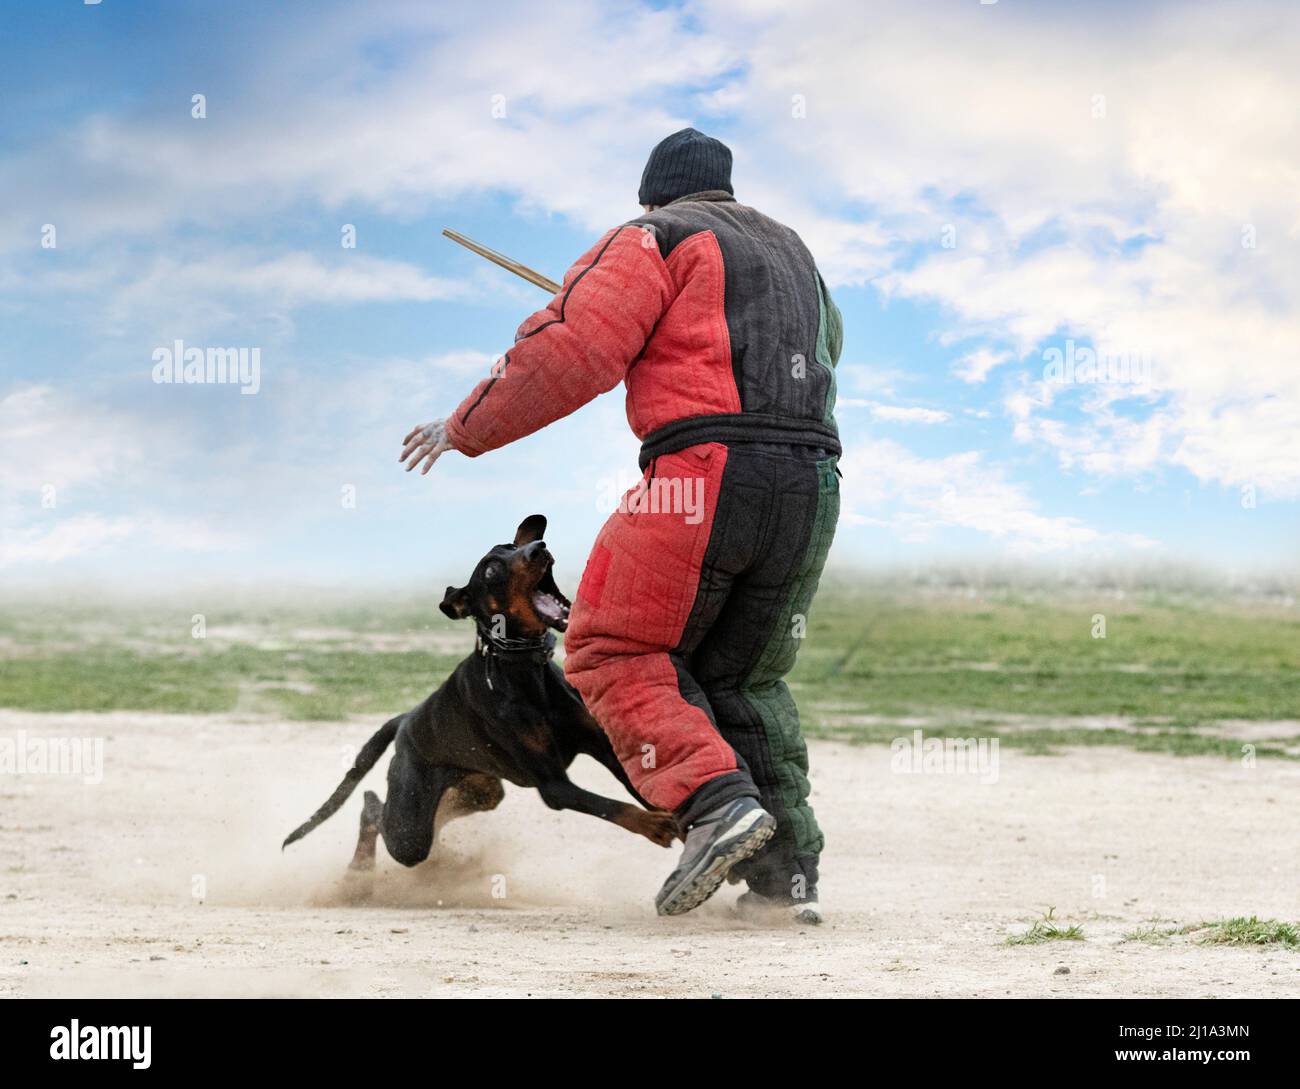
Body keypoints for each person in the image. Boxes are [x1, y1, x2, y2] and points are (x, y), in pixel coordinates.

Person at [400, 128, 842, 921]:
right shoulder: (796, 256)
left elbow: (575, 345)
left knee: (612, 646)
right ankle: (785, 883)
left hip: (702, 476)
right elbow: (821, 354)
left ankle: (714, 804)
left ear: (652, 193)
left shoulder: (654, 235)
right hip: (813, 484)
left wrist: (462, 426)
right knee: (743, 678)